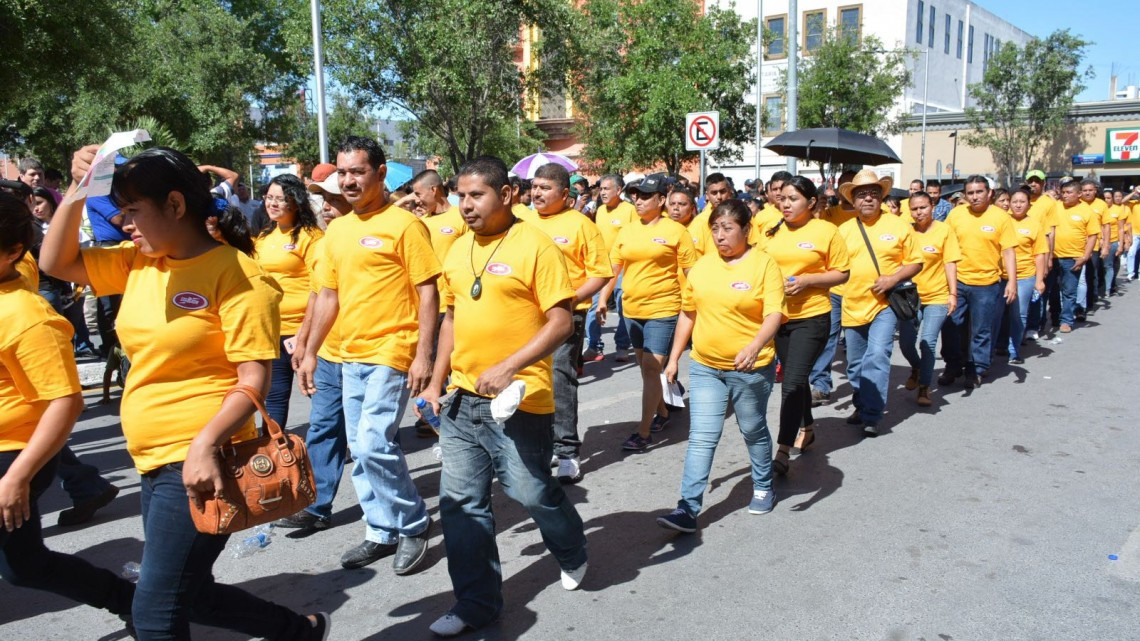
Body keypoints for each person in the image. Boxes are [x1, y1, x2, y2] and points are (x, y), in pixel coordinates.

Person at [41, 145, 330, 640]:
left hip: (199, 461)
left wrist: (204, 443)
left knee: (153, 615)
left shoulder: (237, 274)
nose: (125, 223)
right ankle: (297, 631)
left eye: (134, 210)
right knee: (186, 592)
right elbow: (55, 260)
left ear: (175, 205)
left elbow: (252, 380)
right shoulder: (138, 262)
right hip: (151, 458)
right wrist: (78, 186)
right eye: (121, 211)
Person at [418, 156, 587, 638]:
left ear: (506, 195)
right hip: (460, 400)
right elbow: (451, 318)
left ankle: (573, 548)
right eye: (460, 196)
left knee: (530, 489)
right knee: (460, 504)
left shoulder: (537, 247)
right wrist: (435, 378)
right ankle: (476, 604)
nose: (465, 206)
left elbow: (562, 321)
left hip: (519, 396)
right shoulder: (455, 250)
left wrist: (510, 365)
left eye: (476, 196)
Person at [296, 136, 436, 574]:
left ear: (379, 173)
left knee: (375, 442)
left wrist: (424, 356)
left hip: (392, 349)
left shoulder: (405, 226)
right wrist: (312, 351)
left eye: (357, 171)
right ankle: (380, 529)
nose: (349, 180)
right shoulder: (336, 230)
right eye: (343, 172)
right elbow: (328, 296)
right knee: (359, 447)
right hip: (349, 354)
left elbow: (427, 293)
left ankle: (413, 523)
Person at [0, 191, 136, 634]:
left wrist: (18, 477)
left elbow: (66, 402)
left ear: (12, 252)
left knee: (25, 566)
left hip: (14, 457)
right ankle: (132, 601)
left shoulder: (27, 316)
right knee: (24, 567)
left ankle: (134, 601)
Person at [657, 199, 785, 532]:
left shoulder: (764, 265)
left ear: (747, 229)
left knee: (752, 429)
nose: (719, 236)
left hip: (750, 369)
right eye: (715, 228)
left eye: (727, 228)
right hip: (705, 366)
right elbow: (688, 313)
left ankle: (762, 484)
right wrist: (673, 360)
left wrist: (756, 345)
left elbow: (775, 313)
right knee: (701, 436)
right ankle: (687, 508)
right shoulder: (701, 267)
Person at [598, 173, 697, 452]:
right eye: (635, 195)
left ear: (661, 200)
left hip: (663, 308)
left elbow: (691, 272)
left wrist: (701, 302)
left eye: (644, 196)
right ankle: (664, 410)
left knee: (653, 366)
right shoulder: (627, 231)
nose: (638, 200)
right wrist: (603, 299)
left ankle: (643, 432)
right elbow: (613, 269)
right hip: (631, 310)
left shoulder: (676, 231)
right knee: (645, 368)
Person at [528, 162, 611, 483]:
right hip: (527, 315)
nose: (537, 193)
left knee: (559, 379)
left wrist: (570, 300)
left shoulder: (581, 225)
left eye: (544, 188)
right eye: (534, 187)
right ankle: (541, 444)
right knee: (531, 379)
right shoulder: (521, 220)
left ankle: (567, 452)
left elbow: (600, 273)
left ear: (565, 194)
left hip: (566, 315)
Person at [764, 176, 849, 473]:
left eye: (793, 199)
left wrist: (808, 280)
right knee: (796, 381)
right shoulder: (770, 231)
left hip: (812, 317)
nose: (785, 204)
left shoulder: (826, 231)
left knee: (790, 383)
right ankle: (808, 427)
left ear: (811, 202)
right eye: (782, 198)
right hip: (777, 317)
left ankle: (783, 451)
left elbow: (842, 273)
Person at [836, 170, 922, 433]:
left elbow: (916, 262)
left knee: (877, 355)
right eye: (861, 194)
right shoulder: (843, 230)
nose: (868, 199)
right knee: (855, 363)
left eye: (873, 193)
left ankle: (872, 415)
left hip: (884, 304)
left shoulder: (898, 225)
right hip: (851, 305)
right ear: (853, 200)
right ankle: (862, 403)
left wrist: (892, 279)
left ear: (882, 197)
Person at [253, 174, 323, 428]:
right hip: (272, 330)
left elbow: (320, 288)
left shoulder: (311, 237)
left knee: (316, 392)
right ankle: (274, 450)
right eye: (269, 198)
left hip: (304, 330)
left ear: (295, 202)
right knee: (275, 395)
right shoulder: (263, 237)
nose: (272, 204)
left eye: (279, 199)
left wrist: (305, 334)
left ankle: (332, 447)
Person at [939, 175, 1017, 388]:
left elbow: (1008, 251)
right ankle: (953, 365)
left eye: (979, 192)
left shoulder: (1001, 218)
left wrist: (1012, 282)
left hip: (987, 284)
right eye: (970, 193)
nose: (974, 197)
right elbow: (943, 245)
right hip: (957, 282)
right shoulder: (955, 215)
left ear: (989, 193)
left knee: (981, 329)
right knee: (951, 326)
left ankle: (978, 368)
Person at [898, 192, 959, 406]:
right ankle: (916, 367)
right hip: (910, 298)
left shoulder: (944, 231)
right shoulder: (906, 231)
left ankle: (924, 386)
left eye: (923, 207)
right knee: (906, 343)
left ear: (932, 206)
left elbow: (950, 263)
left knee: (927, 343)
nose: (919, 212)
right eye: (914, 209)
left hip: (938, 296)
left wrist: (953, 294)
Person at [810, 169, 858, 406]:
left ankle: (862, 388)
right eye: (843, 185)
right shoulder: (828, 213)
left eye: (852, 185)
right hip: (836, 289)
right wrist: (817, 210)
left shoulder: (872, 214)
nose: (847, 189)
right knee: (828, 337)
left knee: (858, 343)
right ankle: (821, 385)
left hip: (865, 291)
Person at [583, 174, 634, 362]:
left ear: (618, 190)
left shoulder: (630, 211)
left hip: (623, 268)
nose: (602, 192)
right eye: (601, 189)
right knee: (594, 306)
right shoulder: (601, 210)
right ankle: (594, 346)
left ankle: (622, 345)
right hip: (601, 267)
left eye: (606, 189)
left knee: (623, 308)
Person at [999, 189, 1047, 363]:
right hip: (1000, 276)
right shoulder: (1003, 221)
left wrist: (1039, 280)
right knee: (1000, 314)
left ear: (1029, 204)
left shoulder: (1034, 225)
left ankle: (1014, 350)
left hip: (1024, 276)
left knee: (1019, 314)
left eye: (1022, 202)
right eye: (1014, 202)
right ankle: (1000, 345)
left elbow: (1040, 254)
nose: (1018, 205)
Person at [1048, 181, 1099, 333]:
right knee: (1051, 289)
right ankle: (1055, 315)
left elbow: (1092, 235)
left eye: (1069, 192)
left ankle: (1067, 320)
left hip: (1073, 257)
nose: (1065, 195)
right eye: (1063, 192)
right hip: (1053, 256)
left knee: (1069, 291)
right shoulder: (1055, 206)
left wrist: (1085, 256)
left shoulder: (1086, 210)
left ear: (1079, 194)